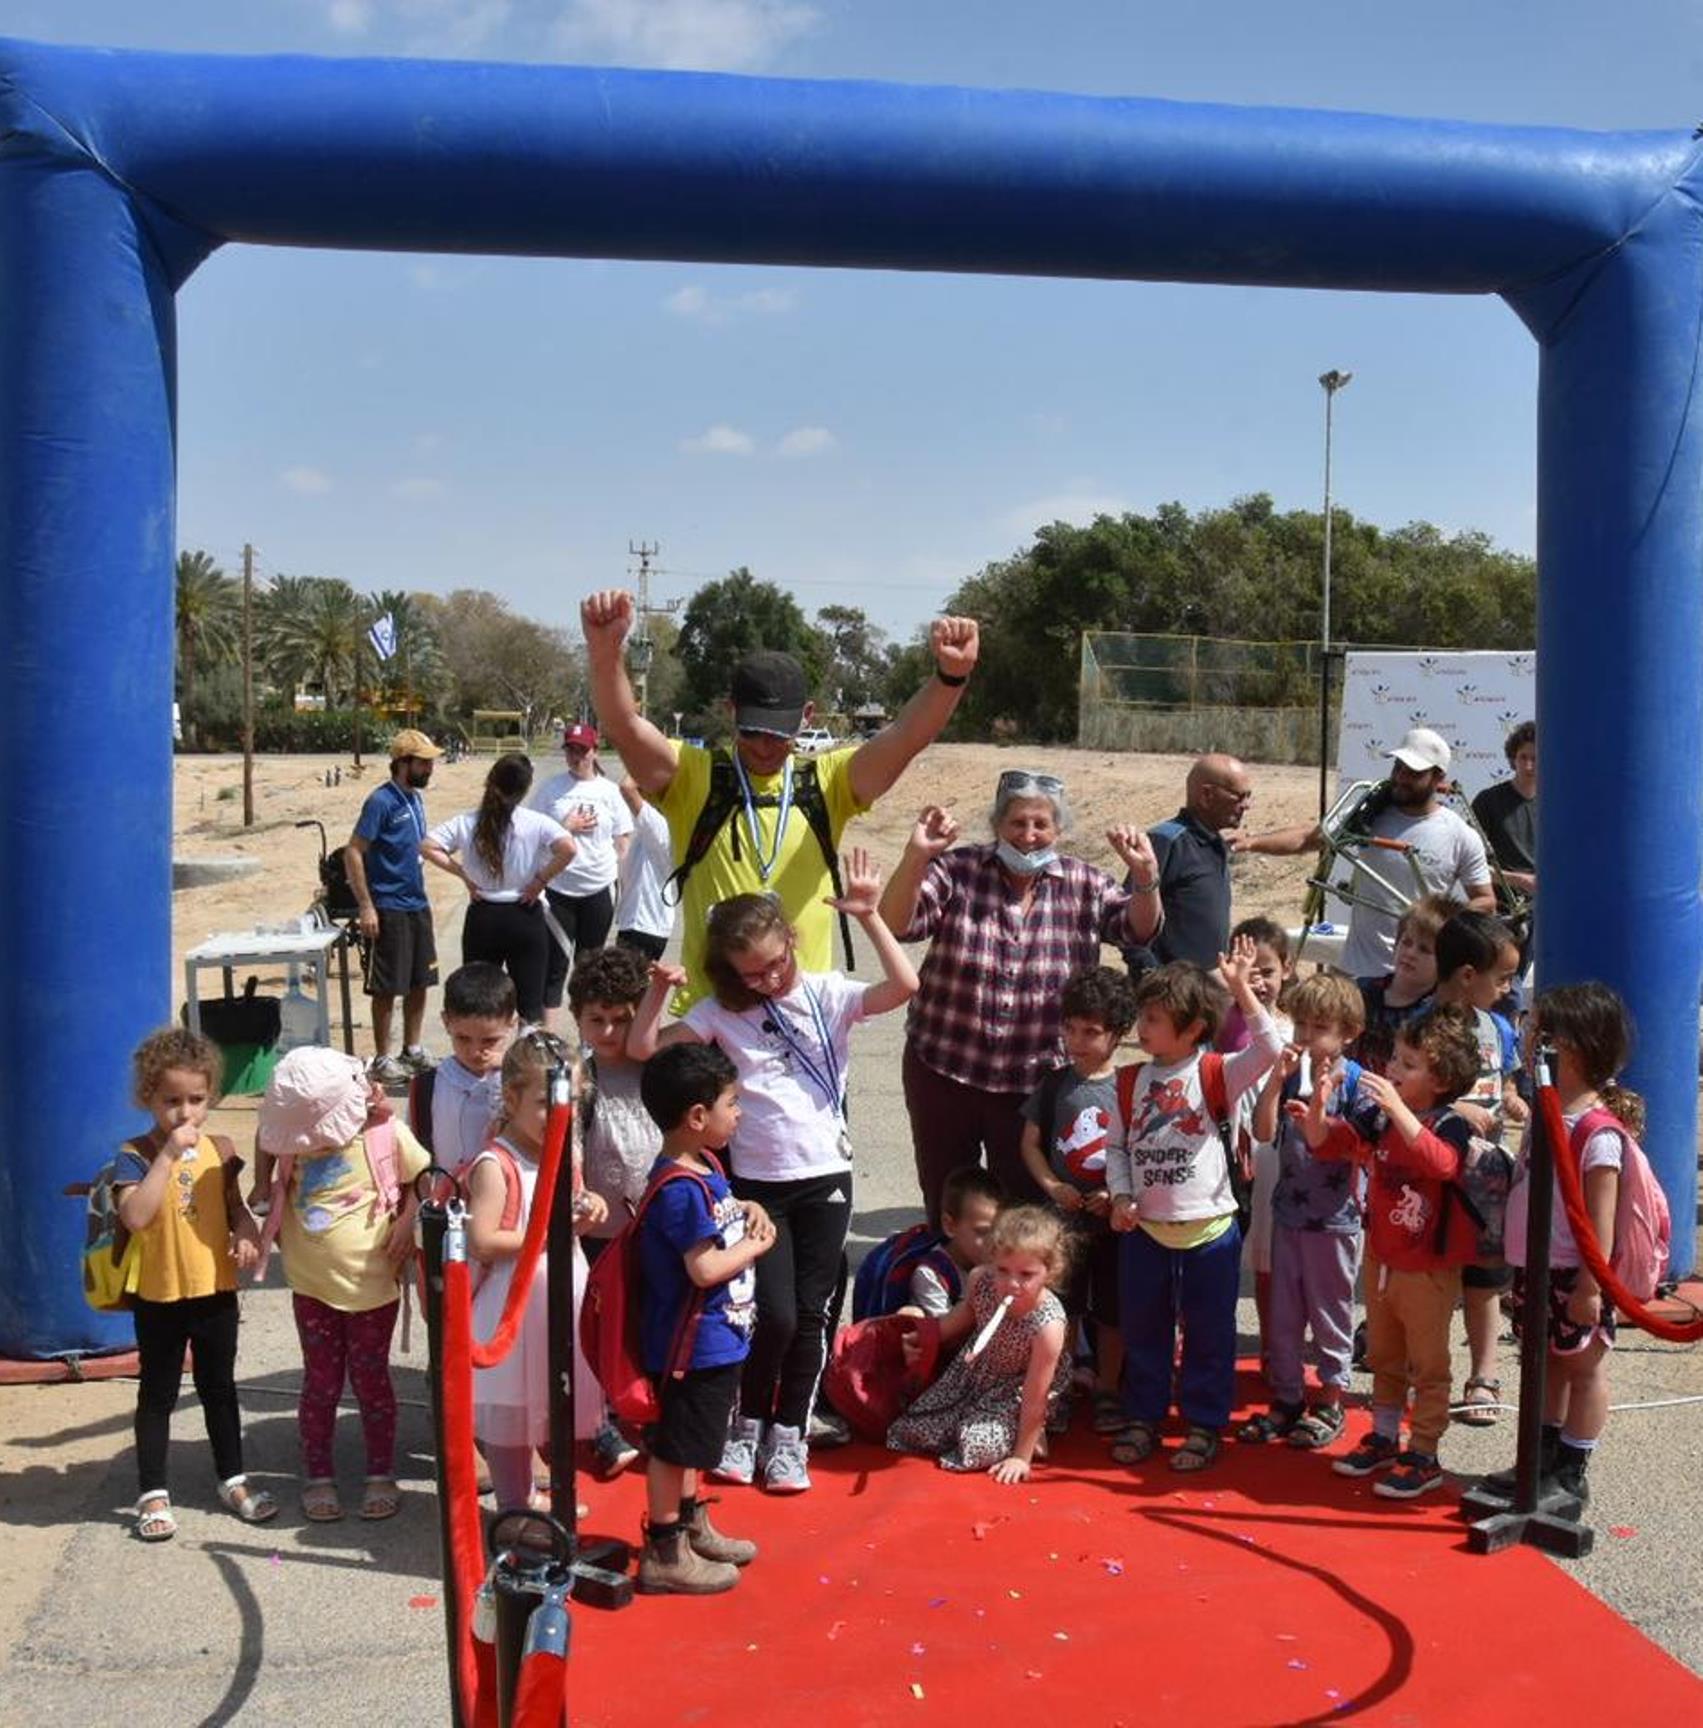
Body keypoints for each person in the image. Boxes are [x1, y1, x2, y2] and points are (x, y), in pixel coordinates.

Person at [629, 850, 918, 1495]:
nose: (768, 979)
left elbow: (903, 987)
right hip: (758, 1184)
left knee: (811, 1314)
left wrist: (870, 918)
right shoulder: (719, 1011)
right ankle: (747, 1424)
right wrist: (659, 992)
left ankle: (790, 1435)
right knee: (770, 1313)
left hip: (825, 1176)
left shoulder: (826, 993)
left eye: (776, 963)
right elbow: (645, 1049)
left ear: (791, 939)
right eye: (752, 974)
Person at [581, 587, 980, 1007]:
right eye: (752, 731)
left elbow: (906, 737)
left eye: (778, 734)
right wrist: (605, 652)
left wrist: (950, 678)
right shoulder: (693, 777)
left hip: (804, 1015)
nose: (764, 747)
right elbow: (624, 726)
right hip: (714, 1016)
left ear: (807, 716)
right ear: (732, 711)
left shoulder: (828, 782)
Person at [880, 775, 1162, 1229]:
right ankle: (947, 1272)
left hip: (1033, 1084)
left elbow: (1138, 930)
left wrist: (1145, 877)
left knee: (1023, 1215)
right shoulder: (958, 870)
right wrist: (916, 857)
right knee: (948, 1200)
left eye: (1040, 824)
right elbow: (898, 923)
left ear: (1058, 830)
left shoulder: (1085, 883)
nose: (1028, 836)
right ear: (997, 824)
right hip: (944, 1068)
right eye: (1017, 823)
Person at [1104, 937, 1283, 1474]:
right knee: (1145, 1331)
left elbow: (1270, 1049)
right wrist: (1121, 1195)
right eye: (1143, 1015)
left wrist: (1241, 991)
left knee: (1209, 1334)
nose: (1142, 1027)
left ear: (1192, 1029)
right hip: (1146, 1232)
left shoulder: (1217, 1071)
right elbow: (1117, 1148)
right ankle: (1144, 1416)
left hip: (1209, 1232)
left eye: (1154, 1019)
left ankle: (1205, 1424)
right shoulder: (1128, 1080)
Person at [1300, 1006, 1481, 1498]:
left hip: (1428, 1268)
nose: (1393, 1069)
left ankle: (1424, 1452)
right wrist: (1317, 1109)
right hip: (1383, 1258)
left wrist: (1399, 1110)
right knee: (1383, 1354)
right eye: (1396, 1059)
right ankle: (1383, 1435)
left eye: (1408, 1064)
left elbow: (1441, 1165)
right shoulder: (1380, 1117)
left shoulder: (1450, 1123)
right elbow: (1331, 1143)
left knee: (1428, 1364)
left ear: (1441, 1080)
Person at [250, 1046, 428, 1523]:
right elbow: (266, 1136)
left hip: (373, 1288)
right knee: (321, 1383)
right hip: (310, 1285)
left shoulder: (385, 1132)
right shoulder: (291, 1137)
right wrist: (262, 1184)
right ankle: (318, 1475)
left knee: (372, 1383)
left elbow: (424, 1177)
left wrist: (407, 1221)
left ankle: (380, 1473)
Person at [113, 1027, 273, 1542]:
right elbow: (136, 1216)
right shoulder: (135, 1154)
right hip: (159, 1294)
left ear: (211, 1097)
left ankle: (233, 1478)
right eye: (172, 1101)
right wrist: (166, 1157)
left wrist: (246, 1234)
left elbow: (236, 1210)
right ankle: (152, 1491)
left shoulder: (220, 1150)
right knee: (157, 1392)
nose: (185, 1113)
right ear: (149, 1098)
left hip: (214, 1291)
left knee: (219, 1388)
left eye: (197, 1100)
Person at [635, 1042, 775, 1595]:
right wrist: (755, 1247)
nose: (738, 1112)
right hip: (690, 1348)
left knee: (695, 1443)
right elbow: (704, 1267)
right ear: (697, 1116)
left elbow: (722, 1214)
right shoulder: (679, 1190)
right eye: (731, 1103)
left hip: (718, 1339)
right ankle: (665, 1550)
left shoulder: (706, 1167)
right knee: (675, 1448)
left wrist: (748, 1210)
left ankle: (692, 1526)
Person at [1495, 982, 1639, 1506]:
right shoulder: (1547, 1109)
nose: (1528, 1041)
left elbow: (1600, 1221)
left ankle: (1573, 1468)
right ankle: (1540, 1458)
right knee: (1545, 1364)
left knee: (1583, 1367)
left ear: (1570, 1047)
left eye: (1538, 1033)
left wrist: (1590, 1287)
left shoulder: (1597, 1132)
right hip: (1535, 1264)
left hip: (1572, 1272)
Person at [468, 1037, 608, 1513]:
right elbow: (484, 1239)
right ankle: (513, 1506)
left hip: (560, 1298)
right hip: (515, 1306)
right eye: (547, 1103)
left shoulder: (564, 1151)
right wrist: (549, 1235)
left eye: (572, 1101)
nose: (561, 1113)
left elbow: (571, 1209)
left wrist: (589, 1208)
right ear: (511, 1099)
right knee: (512, 1412)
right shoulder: (497, 1164)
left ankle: (536, 1496)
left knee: (548, 1404)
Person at [1239, 726, 1495, 980]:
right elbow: (1309, 838)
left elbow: (1485, 901)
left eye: (1413, 773)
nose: (1401, 777)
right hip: (1356, 970)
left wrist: (1440, 922)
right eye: (1398, 767)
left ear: (1438, 778)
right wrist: (1250, 842)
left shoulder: (1460, 835)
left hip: (1418, 979)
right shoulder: (1367, 813)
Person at [1239, 971, 1366, 1451]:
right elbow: (1263, 1131)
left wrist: (1320, 1111)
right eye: (1301, 1025)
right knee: (1285, 1312)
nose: (1307, 1036)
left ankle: (1331, 1398)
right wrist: (1275, 1082)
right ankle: (1288, 1396)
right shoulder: (1292, 1073)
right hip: (1289, 1213)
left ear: (1348, 1032)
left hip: (1334, 1219)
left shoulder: (1354, 1082)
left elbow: (1352, 1146)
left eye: (1320, 1027)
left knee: (1330, 1310)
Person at [1018, 964, 1138, 1425]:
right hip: (1062, 1224)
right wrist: (1053, 1186)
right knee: (1061, 1309)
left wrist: (1115, 1192)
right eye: (1070, 1029)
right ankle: (1060, 1387)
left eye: (1091, 1032)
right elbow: (1030, 1144)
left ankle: (1108, 1387)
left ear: (1118, 1034)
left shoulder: (1129, 1087)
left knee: (1112, 1310)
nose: (1077, 1040)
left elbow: (1138, 1152)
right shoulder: (1054, 1084)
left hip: (1113, 1223)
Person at [887, 1204, 1074, 1483]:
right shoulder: (981, 1281)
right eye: (1002, 1270)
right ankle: (990, 1423)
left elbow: (1035, 1396)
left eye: (1026, 1275)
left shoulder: (1048, 1326)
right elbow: (953, 1323)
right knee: (911, 1431)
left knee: (977, 1445)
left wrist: (1021, 1457)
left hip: (1019, 1389)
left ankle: (1033, 1433)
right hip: (976, 1374)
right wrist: (920, 1336)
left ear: (1049, 1272)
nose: (1012, 1283)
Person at [1432, 910, 1525, 1426]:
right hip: (1436, 1175)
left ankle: (1483, 1374)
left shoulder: (1499, 1027)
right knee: (1435, 1278)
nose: (1509, 988)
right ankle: (1428, 1373)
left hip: (1488, 1177)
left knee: (1485, 1278)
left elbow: (1505, 1080)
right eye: (1503, 978)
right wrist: (1453, 1110)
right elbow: (1404, 1094)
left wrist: (1513, 1099)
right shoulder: (1425, 1028)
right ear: (1468, 975)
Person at [421, 753, 578, 1027]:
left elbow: (428, 846)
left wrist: (464, 874)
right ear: (525, 788)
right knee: (530, 1005)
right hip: (525, 912)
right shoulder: (535, 822)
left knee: (479, 1001)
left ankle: (480, 1049)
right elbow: (568, 849)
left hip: (484, 913)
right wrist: (540, 880)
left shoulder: (467, 822)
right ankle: (527, 1051)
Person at [346, 728, 443, 1083]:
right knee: (387, 987)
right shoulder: (380, 801)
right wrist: (366, 906)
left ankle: (412, 1050)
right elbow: (354, 851)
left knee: (420, 981)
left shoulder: (415, 799)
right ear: (404, 763)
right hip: (388, 907)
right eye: (424, 762)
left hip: (417, 903)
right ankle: (383, 1058)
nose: (430, 768)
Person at [529, 724, 633, 1028]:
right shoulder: (551, 789)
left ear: (595, 752)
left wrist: (618, 871)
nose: (576, 756)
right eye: (571, 750)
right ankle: (549, 1037)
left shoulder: (609, 791)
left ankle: (588, 1039)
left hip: (599, 888)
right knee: (554, 964)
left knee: (589, 969)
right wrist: (565, 827)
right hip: (559, 889)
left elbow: (623, 837)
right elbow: (532, 835)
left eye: (582, 750)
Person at [1123, 753, 1253, 973]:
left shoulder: (1215, 843)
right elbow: (1126, 916)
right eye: (1239, 797)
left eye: (1248, 796)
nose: (1246, 805)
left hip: (1207, 986)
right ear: (1207, 795)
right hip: (1168, 988)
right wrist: (1151, 974)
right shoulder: (1166, 841)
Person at [407, 962, 517, 1178]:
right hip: (444, 1193)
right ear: (446, 1022)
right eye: (463, 1038)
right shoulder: (427, 1086)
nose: (475, 1051)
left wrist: (512, 1069)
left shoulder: (522, 1082)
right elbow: (415, 1151)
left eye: (489, 1040)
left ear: (512, 1023)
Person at [1352, 892, 1452, 1074]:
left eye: (1424, 949)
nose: (1411, 953)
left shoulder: (1438, 1013)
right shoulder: (1360, 993)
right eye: (1406, 942)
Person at [1471, 719, 1537, 906]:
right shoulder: (1488, 801)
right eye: (1523, 757)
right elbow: (1470, 864)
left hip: (1550, 907)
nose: (1528, 766)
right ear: (1512, 759)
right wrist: (1518, 879)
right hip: (1502, 909)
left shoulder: (1558, 805)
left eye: (1535, 758)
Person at [614, 774, 676, 964]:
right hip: (640, 923)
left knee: (627, 981)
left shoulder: (660, 826)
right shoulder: (652, 829)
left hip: (644, 924)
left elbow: (627, 788)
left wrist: (642, 764)